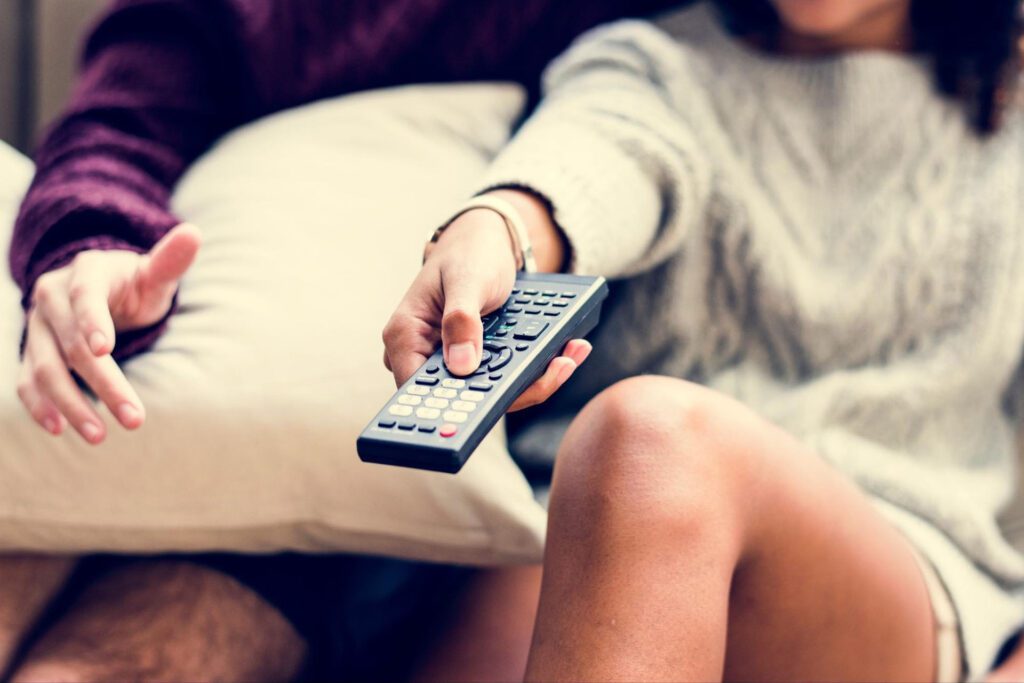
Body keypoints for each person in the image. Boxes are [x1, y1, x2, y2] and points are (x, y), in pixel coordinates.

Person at [2, 1, 681, 680]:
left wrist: (502, 233)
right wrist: (90, 246)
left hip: (339, 511)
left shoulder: (622, 35)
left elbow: (613, 139)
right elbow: (119, 122)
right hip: (126, 407)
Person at [382, 0, 1024, 681]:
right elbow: (598, 156)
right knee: (597, 516)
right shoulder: (654, 68)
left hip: (890, 580)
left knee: (652, 438)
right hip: (585, 536)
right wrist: (494, 229)